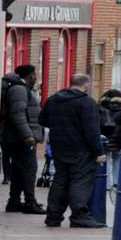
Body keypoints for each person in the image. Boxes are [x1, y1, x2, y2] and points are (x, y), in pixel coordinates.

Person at [40, 73, 104, 228]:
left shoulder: (53, 100)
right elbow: (92, 131)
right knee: (80, 181)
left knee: (60, 180)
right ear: (86, 85)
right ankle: (79, 215)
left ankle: (53, 216)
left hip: (59, 147)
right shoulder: (87, 103)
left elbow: (42, 120)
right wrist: (99, 152)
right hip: (81, 149)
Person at [0, 64, 45, 214]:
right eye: (34, 75)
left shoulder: (19, 88)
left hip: (15, 137)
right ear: (30, 76)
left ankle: (14, 202)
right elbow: (17, 114)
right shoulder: (19, 90)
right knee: (29, 170)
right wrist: (28, 135)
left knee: (19, 171)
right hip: (20, 139)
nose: (36, 78)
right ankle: (30, 202)